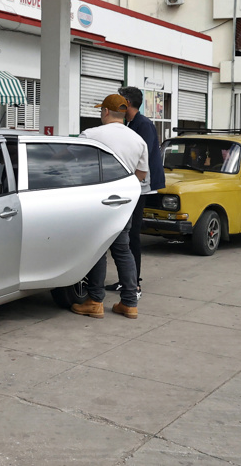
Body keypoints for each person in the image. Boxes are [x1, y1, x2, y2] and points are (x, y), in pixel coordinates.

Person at [71, 94, 148, 320]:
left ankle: (95, 301)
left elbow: (75, 166)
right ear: (123, 113)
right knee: (123, 250)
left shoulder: (90, 135)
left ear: (105, 111)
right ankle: (129, 304)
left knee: (97, 249)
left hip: (95, 202)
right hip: (124, 202)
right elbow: (141, 175)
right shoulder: (138, 140)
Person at [118, 86, 165, 291]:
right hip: (132, 184)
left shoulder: (143, 124)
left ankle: (133, 282)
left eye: (119, 99)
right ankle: (126, 279)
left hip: (141, 185)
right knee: (126, 234)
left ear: (127, 102)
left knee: (132, 234)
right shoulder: (130, 123)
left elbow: (139, 155)